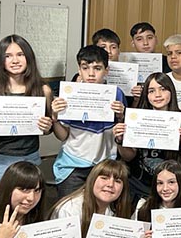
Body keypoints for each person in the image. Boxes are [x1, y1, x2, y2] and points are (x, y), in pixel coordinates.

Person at [0, 35, 53, 198]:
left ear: (29, 58)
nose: (15, 60)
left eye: (20, 54)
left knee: (25, 207)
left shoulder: (43, 91)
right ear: (0, 60)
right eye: (8, 56)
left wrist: (48, 127)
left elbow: (47, 129)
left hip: (27, 161)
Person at [51, 45, 126, 198]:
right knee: (69, 208)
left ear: (106, 70)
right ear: (79, 70)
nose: (91, 74)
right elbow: (63, 136)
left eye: (97, 68)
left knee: (101, 209)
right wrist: (55, 118)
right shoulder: (71, 94)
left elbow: (122, 134)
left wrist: (121, 116)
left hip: (104, 164)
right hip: (72, 164)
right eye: (85, 68)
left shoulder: (116, 93)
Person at [115, 72, 181, 205]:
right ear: (146, 95)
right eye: (151, 91)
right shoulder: (136, 118)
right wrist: (120, 141)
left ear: (171, 92)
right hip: (139, 184)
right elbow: (129, 157)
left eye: (163, 89)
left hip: (171, 187)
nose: (157, 95)